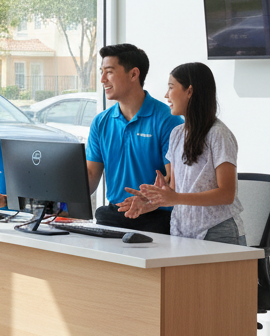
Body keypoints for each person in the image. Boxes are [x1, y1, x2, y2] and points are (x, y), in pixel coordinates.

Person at [124, 62, 245, 245]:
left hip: (217, 231)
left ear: (189, 91)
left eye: (171, 88)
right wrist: (150, 202)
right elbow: (175, 191)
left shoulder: (218, 134)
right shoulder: (177, 134)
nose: (166, 95)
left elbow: (226, 194)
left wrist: (175, 197)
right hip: (182, 230)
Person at [85, 43, 182, 233]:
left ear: (133, 74)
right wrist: (54, 198)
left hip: (157, 217)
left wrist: (147, 201)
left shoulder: (168, 120)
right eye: (101, 72)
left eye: (109, 72)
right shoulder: (101, 122)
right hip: (114, 215)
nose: (103, 79)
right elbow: (90, 176)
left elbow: (173, 181)